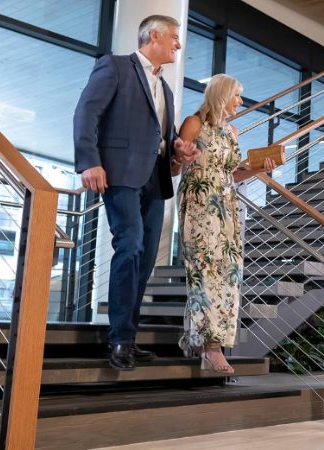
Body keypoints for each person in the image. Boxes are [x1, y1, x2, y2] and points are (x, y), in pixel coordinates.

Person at [73, 15, 199, 370]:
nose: (178, 44)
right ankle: (119, 340)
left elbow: (161, 133)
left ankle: (127, 335)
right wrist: (89, 162)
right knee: (129, 246)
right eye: (174, 37)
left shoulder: (166, 87)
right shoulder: (114, 67)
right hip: (120, 174)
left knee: (144, 259)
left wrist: (179, 148)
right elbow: (87, 112)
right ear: (154, 35)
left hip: (154, 179)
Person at [176, 74, 275, 374]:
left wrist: (258, 169)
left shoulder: (232, 132)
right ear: (221, 94)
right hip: (199, 204)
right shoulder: (194, 123)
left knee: (228, 275)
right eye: (236, 95)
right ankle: (211, 347)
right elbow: (176, 163)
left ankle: (203, 340)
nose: (240, 102)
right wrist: (182, 156)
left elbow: (231, 174)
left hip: (227, 207)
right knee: (203, 273)